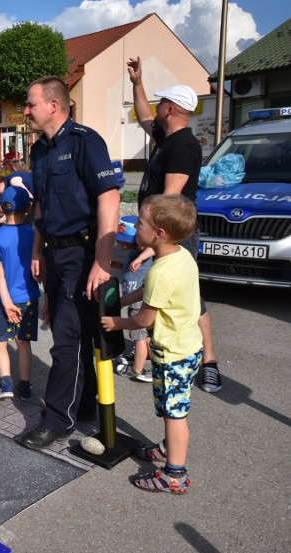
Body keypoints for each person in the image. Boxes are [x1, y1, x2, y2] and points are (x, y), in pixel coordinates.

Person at [19, 76, 120, 450]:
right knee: (76, 331)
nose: (25, 111)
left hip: (83, 253)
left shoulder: (85, 142)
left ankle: (58, 420)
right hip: (54, 253)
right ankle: (86, 404)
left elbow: (108, 198)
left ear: (53, 106)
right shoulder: (39, 151)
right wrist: (36, 250)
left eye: (30, 105)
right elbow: (42, 205)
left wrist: (102, 261)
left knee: (68, 337)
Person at [128, 56, 223, 393]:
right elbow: (141, 115)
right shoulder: (166, 136)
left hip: (174, 231)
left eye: (160, 102)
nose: (155, 107)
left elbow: (170, 199)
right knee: (161, 292)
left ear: (170, 108)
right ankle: (164, 351)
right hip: (158, 230)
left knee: (189, 297)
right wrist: (137, 82)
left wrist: (148, 243)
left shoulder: (182, 145)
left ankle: (208, 361)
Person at [101, 194, 202, 494]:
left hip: (175, 354)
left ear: (159, 234)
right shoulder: (179, 255)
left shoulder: (160, 271)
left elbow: (144, 320)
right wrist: (119, 301)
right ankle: (166, 448)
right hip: (184, 348)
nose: (135, 227)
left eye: (140, 223)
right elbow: (147, 292)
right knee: (171, 408)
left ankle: (175, 474)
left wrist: (116, 322)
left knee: (175, 414)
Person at [0, 187, 40, 401]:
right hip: (29, 297)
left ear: (0, 208)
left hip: (3, 299)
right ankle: (24, 386)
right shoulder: (34, 234)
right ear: (28, 208)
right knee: (23, 343)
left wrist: (6, 303)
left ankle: (6, 383)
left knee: (0, 341)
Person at [111, 216, 154, 382]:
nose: (120, 244)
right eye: (119, 240)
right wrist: (119, 266)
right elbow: (132, 273)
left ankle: (137, 369)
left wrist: (140, 258)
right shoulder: (133, 254)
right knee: (143, 337)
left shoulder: (144, 253)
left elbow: (154, 248)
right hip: (133, 302)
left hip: (138, 305)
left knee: (138, 338)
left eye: (124, 241)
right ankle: (143, 358)